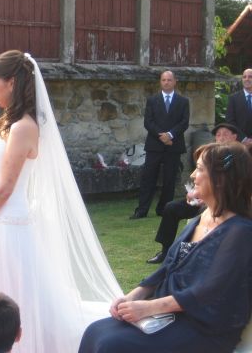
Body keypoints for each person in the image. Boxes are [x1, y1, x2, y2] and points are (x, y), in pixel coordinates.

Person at [0, 50, 122, 352]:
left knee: (13, 295)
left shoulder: (24, 127)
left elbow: (4, 188)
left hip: (8, 227)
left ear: (12, 82)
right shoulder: (7, 123)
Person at [80, 141, 252, 353]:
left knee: (111, 345)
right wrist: (134, 295)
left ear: (220, 180)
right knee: (94, 331)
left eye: (198, 169)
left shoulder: (241, 231)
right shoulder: (204, 216)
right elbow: (169, 265)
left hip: (204, 327)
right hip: (171, 313)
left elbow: (209, 291)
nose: (192, 176)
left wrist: (148, 307)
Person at [146, 122, 241, 264]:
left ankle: (195, 254)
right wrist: (195, 192)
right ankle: (166, 252)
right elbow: (196, 176)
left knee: (202, 217)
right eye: (218, 134)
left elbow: (239, 186)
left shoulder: (241, 158)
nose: (221, 138)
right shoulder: (208, 154)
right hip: (203, 200)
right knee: (171, 208)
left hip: (225, 204)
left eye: (225, 134)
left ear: (235, 136)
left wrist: (209, 197)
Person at [131, 71, 189, 219]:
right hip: (155, 145)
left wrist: (170, 135)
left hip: (173, 145)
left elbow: (184, 122)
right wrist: (162, 136)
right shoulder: (152, 100)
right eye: (163, 80)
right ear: (160, 82)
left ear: (175, 81)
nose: (166, 82)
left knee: (169, 179)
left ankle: (164, 209)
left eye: (169, 80)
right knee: (148, 178)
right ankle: (142, 210)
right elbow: (148, 122)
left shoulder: (183, 101)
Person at [225, 68, 252, 145]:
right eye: (244, 77)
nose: (247, 79)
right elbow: (230, 121)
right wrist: (243, 138)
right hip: (239, 143)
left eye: (250, 77)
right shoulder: (233, 98)